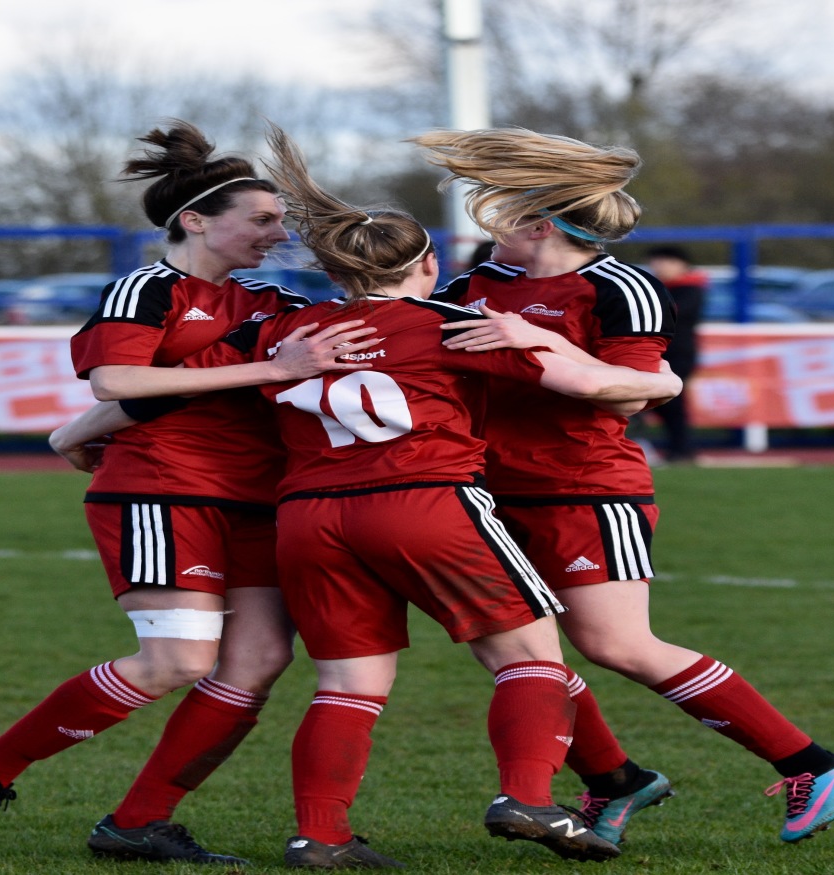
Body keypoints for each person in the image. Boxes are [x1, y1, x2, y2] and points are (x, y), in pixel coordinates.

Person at [171, 123, 681, 868]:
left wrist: (82, 428)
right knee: (530, 654)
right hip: (427, 503)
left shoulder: (287, 329)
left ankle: (321, 833)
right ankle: (528, 795)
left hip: (309, 519)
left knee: (347, 682)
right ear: (430, 264)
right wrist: (663, 381)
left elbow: (177, 387)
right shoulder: (454, 326)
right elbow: (594, 388)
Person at [0, 120, 379, 863]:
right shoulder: (147, 287)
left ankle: (138, 821)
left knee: (259, 661)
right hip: (164, 491)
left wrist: (71, 434)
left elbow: (188, 383)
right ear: (196, 219)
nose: (278, 233)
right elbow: (121, 382)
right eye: (262, 219)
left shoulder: (266, 297)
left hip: (259, 500)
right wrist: (269, 371)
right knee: (176, 659)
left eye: (280, 221)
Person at [413, 126, 834, 846]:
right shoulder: (479, 283)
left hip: (584, 489)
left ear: (538, 224)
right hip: (485, 493)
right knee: (517, 656)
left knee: (618, 643)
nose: (486, 225)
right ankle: (615, 781)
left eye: (498, 212)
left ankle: (813, 763)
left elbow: (629, 393)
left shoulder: (621, 286)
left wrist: (537, 342)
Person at [644, 245, 706, 463]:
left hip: (678, 353)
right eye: (655, 261)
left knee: (672, 403)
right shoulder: (657, 286)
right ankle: (678, 449)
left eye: (664, 261)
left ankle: (682, 450)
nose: (658, 266)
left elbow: (674, 314)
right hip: (657, 352)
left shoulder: (690, 289)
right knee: (663, 404)